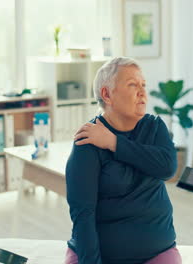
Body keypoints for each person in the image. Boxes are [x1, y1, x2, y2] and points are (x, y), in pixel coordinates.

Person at [65, 57, 182, 264]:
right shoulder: (88, 140)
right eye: (132, 85)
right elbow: (83, 214)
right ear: (107, 94)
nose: (142, 92)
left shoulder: (155, 127)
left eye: (143, 85)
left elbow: (167, 168)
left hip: (157, 252)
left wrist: (114, 143)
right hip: (101, 255)